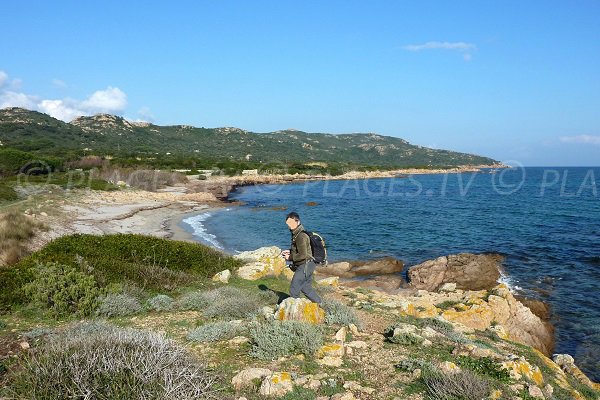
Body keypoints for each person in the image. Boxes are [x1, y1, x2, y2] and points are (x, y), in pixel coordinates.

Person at [281, 211, 322, 304]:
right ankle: (321, 304)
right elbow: (302, 250)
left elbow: (303, 255)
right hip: (309, 264)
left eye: (291, 223)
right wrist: (290, 251)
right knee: (306, 288)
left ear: (298, 222)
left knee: (294, 288)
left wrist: (290, 257)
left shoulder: (301, 236)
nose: (289, 226)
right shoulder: (297, 233)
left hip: (306, 265)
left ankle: (296, 313)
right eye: (288, 223)